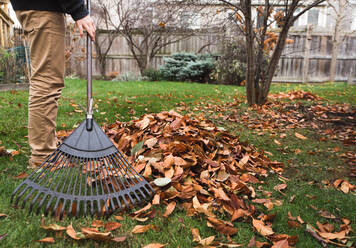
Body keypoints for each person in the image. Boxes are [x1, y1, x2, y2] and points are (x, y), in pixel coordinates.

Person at [10, 0, 96, 168]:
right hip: (43, 9)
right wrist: (79, 10)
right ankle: (43, 156)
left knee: (44, 80)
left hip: (38, 8)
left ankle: (46, 146)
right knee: (46, 82)